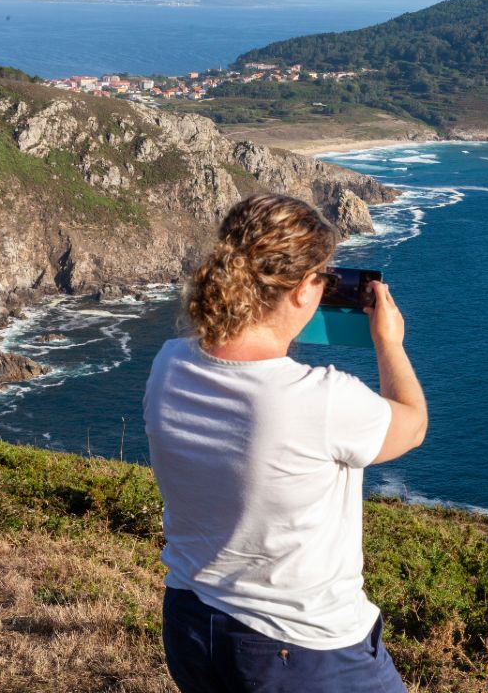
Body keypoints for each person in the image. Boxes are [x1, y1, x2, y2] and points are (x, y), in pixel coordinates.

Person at [144, 193, 427, 692]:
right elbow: (412, 425)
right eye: (324, 279)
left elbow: (242, 366)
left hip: (192, 620)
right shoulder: (319, 398)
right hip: (302, 645)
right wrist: (389, 343)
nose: (326, 288)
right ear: (301, 291)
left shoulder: (169, 363)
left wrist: (275, 331)